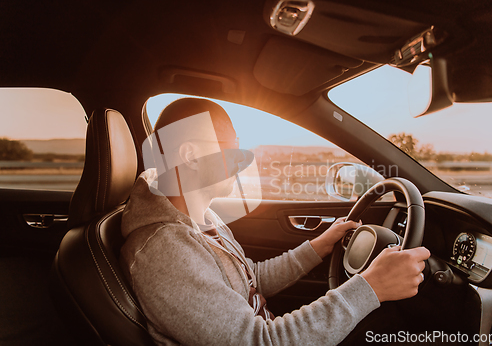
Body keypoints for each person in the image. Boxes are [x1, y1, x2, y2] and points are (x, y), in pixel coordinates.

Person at [120, 97, 430, 345]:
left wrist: (318, 246)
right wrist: (371, 287)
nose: (239, 158)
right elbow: (259, 341)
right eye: (231, 146)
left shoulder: (198, 217)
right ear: (190, 155)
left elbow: (249, 279)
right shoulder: (164, 251)